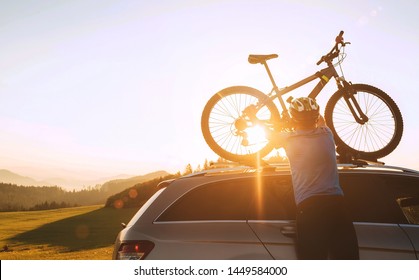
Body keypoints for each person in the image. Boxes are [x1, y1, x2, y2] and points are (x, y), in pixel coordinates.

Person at [272, 97, 359, 260]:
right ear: (315, 116)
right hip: (337, 206)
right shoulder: (327, 134)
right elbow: (322, 121)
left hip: (310, 208)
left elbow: (269, 134)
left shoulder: (288, 138)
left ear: (293, 117)